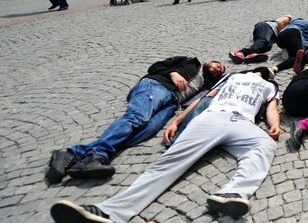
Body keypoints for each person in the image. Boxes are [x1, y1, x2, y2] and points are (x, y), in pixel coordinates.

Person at [50, 68, 278, 222]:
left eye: (261, 72)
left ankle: (233, 193)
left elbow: (270, 107)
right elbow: (202, 98)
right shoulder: (232, 77)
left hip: (242, 122)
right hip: (213, 116)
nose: (255, 72)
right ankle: (109, 211)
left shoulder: (269, 86)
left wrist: (274, 126)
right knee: (170, 162)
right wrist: (176, 120)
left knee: (265, 145)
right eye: (254, 70)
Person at [44, 57, 225, 184]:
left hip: (171, 104)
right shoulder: (188, 62)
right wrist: (173, 74)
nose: (218, 69)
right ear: (209, 62)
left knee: (143, 132)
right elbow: (154, 67)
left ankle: (73, 155)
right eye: (218, 65)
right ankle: (96, 156)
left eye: (220, 71)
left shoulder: (205, 85)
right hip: (156, 87)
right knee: (136, 118)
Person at [229, 15, 295, 63]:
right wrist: (282, 35)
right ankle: (247, 52)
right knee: (263, 40)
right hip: (267, 27)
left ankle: (243, 54)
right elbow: (280, 23)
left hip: (272, 35)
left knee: (267, 47)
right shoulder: (289, 17)